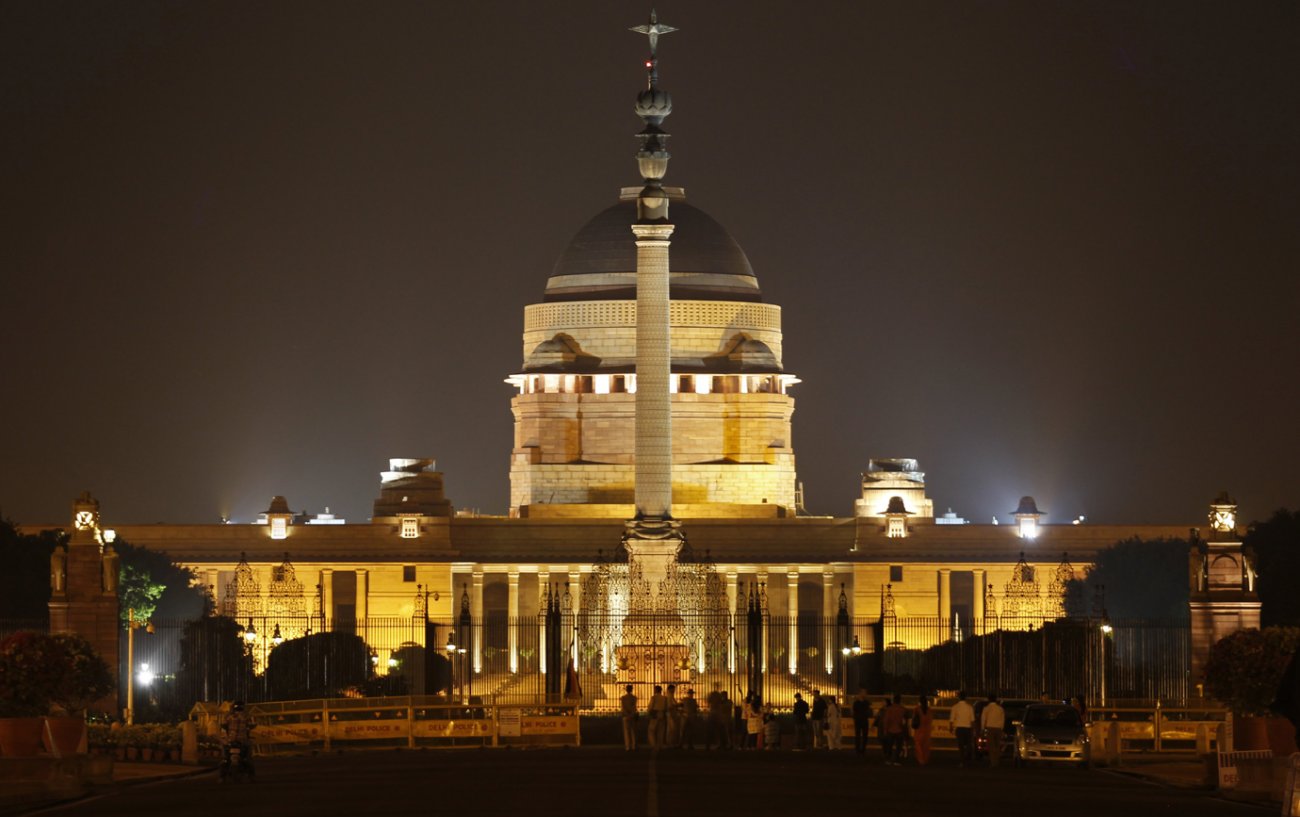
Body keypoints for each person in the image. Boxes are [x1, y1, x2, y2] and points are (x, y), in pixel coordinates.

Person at [220, 701, 255, 780]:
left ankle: (221, 777)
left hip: (230, 741)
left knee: (225, 759)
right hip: (242, 741)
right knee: (248, 758)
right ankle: (251, 776)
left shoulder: (228, 716)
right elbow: (251, 725)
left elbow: (223, 725)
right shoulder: (246, 716)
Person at [950, 690, 976, 767]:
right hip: (968, 728)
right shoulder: (970, 707)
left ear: (959, 697)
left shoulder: (955, 707)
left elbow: (951, 719)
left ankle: (962, 761)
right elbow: (972, 720)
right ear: (965, 697)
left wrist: (951, 728)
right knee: (968, 745)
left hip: (959, 728)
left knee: (961, 746)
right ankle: (968, 760)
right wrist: (973, 729)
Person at [880, 693, 907, 765]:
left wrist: (885, 730)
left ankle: (888, 760)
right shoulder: (902, 709)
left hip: (890, 730)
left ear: (893, 700)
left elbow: (886, 720)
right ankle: (896, 760)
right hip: (899, 730)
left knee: (889, 746)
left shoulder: (889, 709)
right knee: (898, 746)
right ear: (900, 700)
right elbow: (904, 721)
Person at [980, 693, 1006, 768]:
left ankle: (993, 762)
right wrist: (1001, 728)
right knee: (997, 746)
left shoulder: (986, 708)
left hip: (990, 728)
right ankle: (996, 761)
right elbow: (1002, 719)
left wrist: (982, 729)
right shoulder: (1000, 709)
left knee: (991, 746)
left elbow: (983, 719)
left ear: (989, 699)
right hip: (998, 728)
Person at [912, 695, 933, 765]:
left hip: (919, 730)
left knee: (918, 745)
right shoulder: (929, 710)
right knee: (925, 746)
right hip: (927, 731)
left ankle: (921, 760)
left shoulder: (917, 709)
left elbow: (914, 718)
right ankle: (925, 759)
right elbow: (930, 720)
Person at [851, 689, 873, 755]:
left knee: (865, 736)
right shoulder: (856, 703)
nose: (865, 694)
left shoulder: (866, 702)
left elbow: (870, 709)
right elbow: (853, 711)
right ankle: (858, 750)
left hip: (864, 720)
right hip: (858, 721)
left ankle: (863, 750)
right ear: (860, 693)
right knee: (858, 736)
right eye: (864, 693)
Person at [620, 684, 639, 751]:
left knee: (626, 732)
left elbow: (623, 707)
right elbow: (634, 707)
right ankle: (634, 745)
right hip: (632, 715)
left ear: (626, 690)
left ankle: (627, 746)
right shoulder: (634, 698)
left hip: (626, 716)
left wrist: (626, 714)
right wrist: (632, 714)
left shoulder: (623, 698)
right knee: (633, 731)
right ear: (632, 690)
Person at [666, 684, 682, 748]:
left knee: (671, 729)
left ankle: (670, 743)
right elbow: (670, 706)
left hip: (672, 714)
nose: (674, 690)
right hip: (671, 715)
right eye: (673, 689)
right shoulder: (670, 696)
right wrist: (678, 705)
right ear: (670, 689)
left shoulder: (671, 696)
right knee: (672, 729)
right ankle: (670, 743)